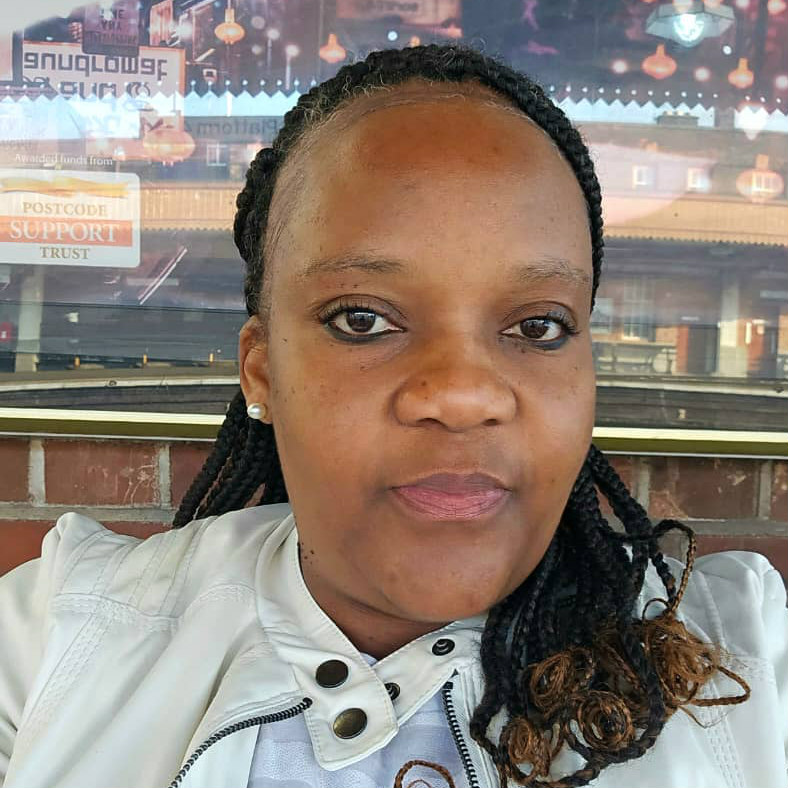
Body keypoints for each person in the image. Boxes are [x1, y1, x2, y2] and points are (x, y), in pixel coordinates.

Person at [1, 43, 786, 788]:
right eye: (363, 320)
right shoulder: (58, 641)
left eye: (538, 326)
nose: (462, 395)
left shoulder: (746, 662)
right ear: (261, 370)